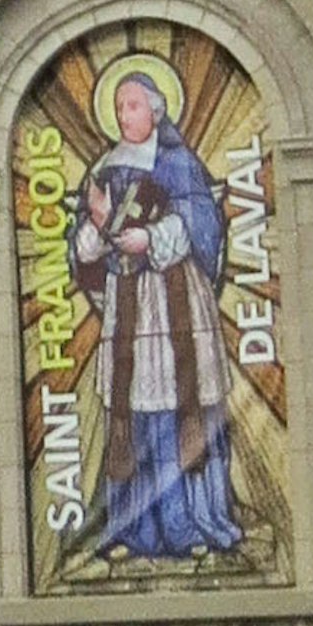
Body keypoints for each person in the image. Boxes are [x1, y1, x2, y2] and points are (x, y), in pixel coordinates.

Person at [63, 56, 243, 558]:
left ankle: (191, 524)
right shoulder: (104, 170)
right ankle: (133, 530)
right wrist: (100, 227)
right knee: (133, 415)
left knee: (181, 410)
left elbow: (204, 225)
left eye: (133, 104)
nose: (124, 114)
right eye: (119, 106)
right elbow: (82, 253)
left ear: (158, 111)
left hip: (176, 300)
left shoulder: (180, 163)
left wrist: (155, 236)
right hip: (128, 306)